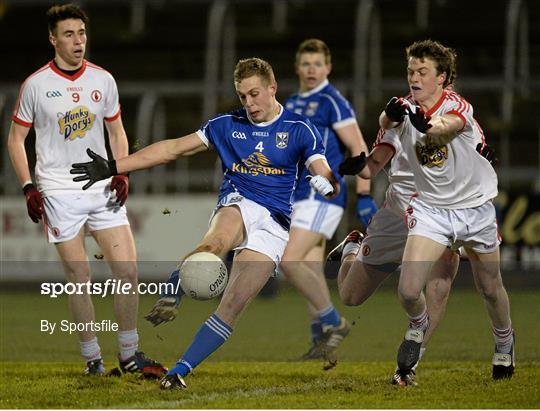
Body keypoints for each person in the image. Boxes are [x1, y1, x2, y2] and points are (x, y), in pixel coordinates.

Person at [69, 57, 346, 389]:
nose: (250, 103)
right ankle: (175, 288)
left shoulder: (300, 130)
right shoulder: (226, 125)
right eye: (243, 96)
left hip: (275, 224)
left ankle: (179, 371)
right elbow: (173, 149)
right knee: (216, 244)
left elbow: (326, 174)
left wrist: (326, 184)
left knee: (233, 304)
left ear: (272, 88)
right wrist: (115, 166)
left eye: (255, 94)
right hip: (239, 202)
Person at [341, 39, 515, 382]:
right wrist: (358, 167)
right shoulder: (404, 109)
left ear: (443, 77)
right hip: (429, 209)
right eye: (410, 71)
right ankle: (414, 323)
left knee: (489, 287)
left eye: (422, 72)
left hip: (473, 209)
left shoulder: (458, 107)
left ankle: (504, 342)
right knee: (400, 291)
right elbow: (383, 137)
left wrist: (427, 126)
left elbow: (446, 126)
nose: (414, 77)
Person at [7, 4, 166, 377]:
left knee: (127, 270)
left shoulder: (102, 80)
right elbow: (16, 138)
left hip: (100, 189)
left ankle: (129, 355)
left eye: (81, 33)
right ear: (52, 39)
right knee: (80, 278)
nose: (78, 41)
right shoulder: (36, 85)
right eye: (68, 34)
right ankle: (93, 360)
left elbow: (117, 131)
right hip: (59, 193)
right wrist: (28, 185)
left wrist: (122, 172)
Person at [279, 39, 376, 360]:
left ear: (328, 68)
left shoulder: (332, 100)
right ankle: (321, 342)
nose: (311, 70)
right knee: (309, 267)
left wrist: (363, 194)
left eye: (317, 64)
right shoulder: (291, 102)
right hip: (297, 195)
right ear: (297, 68)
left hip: (323, 196)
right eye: (306, 64)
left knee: (289, 260)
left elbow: (359, 148)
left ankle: (335, 322)